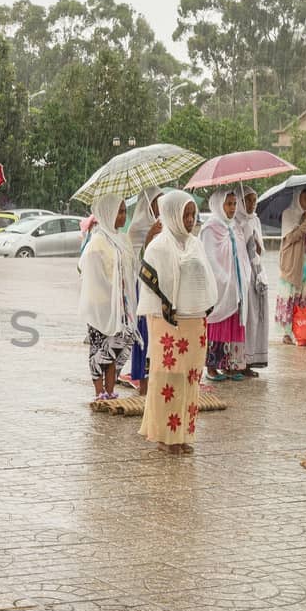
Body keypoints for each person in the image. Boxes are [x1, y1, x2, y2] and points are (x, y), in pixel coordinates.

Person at [137, 192, 215, 455]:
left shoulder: (195, 244)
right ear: (171, 215)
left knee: (191, 378)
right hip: (167, 323)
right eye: (185, 214)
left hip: (195, 322)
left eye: (193, 214)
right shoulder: (158, 246)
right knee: (168, 377)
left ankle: (182, 436)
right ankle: (164, 437)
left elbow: (206, 280)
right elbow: (152, 288)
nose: (191, 220)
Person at [80, 195, 138, 400]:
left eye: (124, 211)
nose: (124, 216)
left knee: (115, 346)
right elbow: (91, 273)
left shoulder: (122, 239)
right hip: (101, 304)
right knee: (99, 348)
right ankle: (99, 392)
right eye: (119, 212)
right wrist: (113, 285)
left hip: (120, 305)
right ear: (108, 214)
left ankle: (111, 390)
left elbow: (131, 268)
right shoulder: (96, 242)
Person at [200, 190, 249, 380]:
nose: (232, 208)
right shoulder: (210, 228)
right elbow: (209, 257)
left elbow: (242, 253)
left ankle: (231, 365)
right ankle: (212, 367)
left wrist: (244, 274)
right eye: (228, 204)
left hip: (236, 282)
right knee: (218, 321)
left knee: (234, 322)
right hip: (221, 284)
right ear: (219, 205)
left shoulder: (235, 226)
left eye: (234, 204)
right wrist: (223, 277)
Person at [125, 187, 165, 395]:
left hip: (161, 288)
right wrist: (149, 237)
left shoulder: (163, 224)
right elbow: (136, 261)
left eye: (161, 200)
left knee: (160, 334)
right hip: (143, 287)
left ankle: (158, 378)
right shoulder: (136, 229)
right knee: (145, 334)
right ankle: (143, 381)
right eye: (156, 201)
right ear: (147, 204)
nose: (159, 205)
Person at [276, 188, 306, 344]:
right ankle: (288, 333)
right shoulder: (288, 214)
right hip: (294, 263)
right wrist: (305, 223)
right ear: (297, 198)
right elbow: (291, 238)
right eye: (304, 198)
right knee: (292, 295)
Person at [235, 188, 269, 374]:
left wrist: (256, 243)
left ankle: (251, 360)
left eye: (254, 200)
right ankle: (241, 360)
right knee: (247, 317)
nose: (251, 204)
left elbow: (260, 249)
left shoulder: (255, 219)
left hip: (256, 272)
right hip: (244, 273)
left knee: (258, 317)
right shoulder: (236, 221)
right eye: (248, 200)